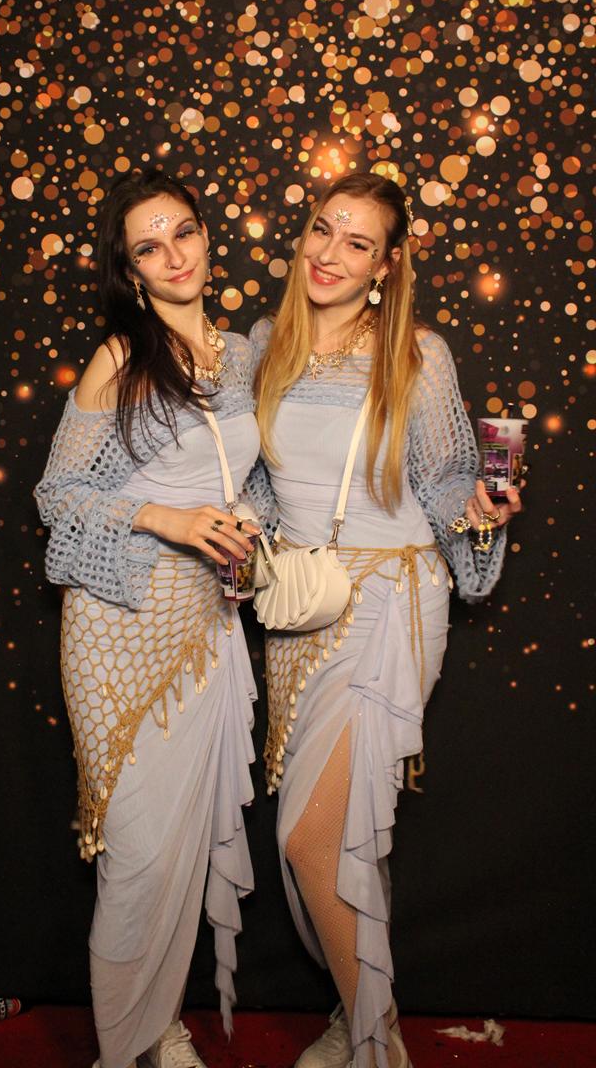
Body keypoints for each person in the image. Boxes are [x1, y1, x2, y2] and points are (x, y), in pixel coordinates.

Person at [250, 172, 522, 1068]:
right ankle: (361, 1015)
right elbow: (253, 483)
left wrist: (482, 511)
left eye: (358, 243)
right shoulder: (265, 345)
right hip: (300, 607)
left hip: (389, 603)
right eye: (323, 230)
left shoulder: (417, 354)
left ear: (386, 265)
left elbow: (446, 482)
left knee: (312, 837)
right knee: (340, 836)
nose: (331, 254)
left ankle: (375, 1045)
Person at [34, 169, 262, 1068]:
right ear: (130, 271)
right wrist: (165, 517)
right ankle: (121, 1049)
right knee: (135, 858)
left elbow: (247, 478)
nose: (173, 256)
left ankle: (159, 1023)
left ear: (206, 236)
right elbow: (58, 495)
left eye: (184, 233)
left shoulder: (238, 354)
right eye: (148, 247)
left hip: (206, 627)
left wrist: (248, 530)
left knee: (180, 851)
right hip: (118, 631)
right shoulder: (120, 359)